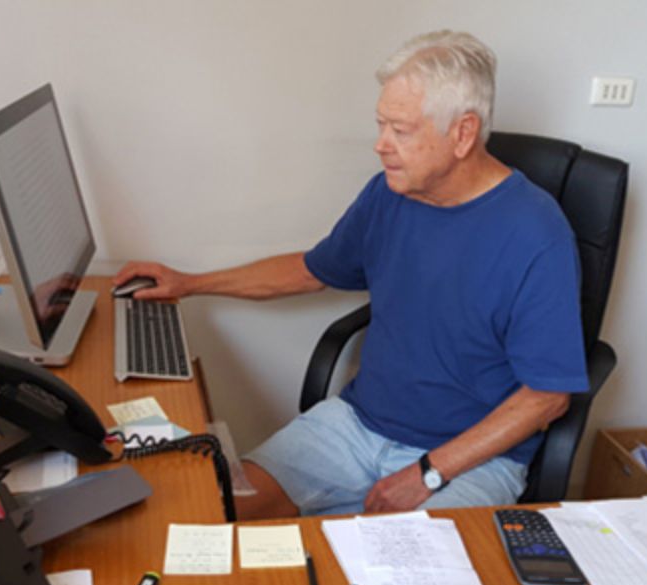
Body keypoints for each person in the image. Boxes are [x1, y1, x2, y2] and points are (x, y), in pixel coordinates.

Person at [114, 30, 588, 519]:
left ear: (463, 133)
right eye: (381, 125)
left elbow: (547, 397)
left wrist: (428, 472)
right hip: (357, 425)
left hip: (468, 459)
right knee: (215, 512)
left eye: (400, 131)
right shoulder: (390, 193)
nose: (381, 145)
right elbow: (309, 271)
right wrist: (190, 283)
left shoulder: (536, 234)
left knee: (396, 582)